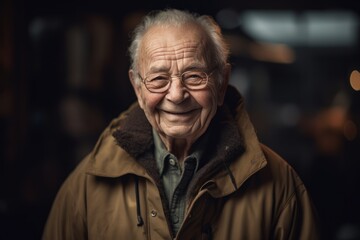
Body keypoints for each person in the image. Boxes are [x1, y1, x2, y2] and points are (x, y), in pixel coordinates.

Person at [42, 8, 320, 239]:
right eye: (159, 79)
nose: (176, 95)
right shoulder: (87, 185)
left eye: (194, 76)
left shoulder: (279, 185)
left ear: (222, 83)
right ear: (138, 89)